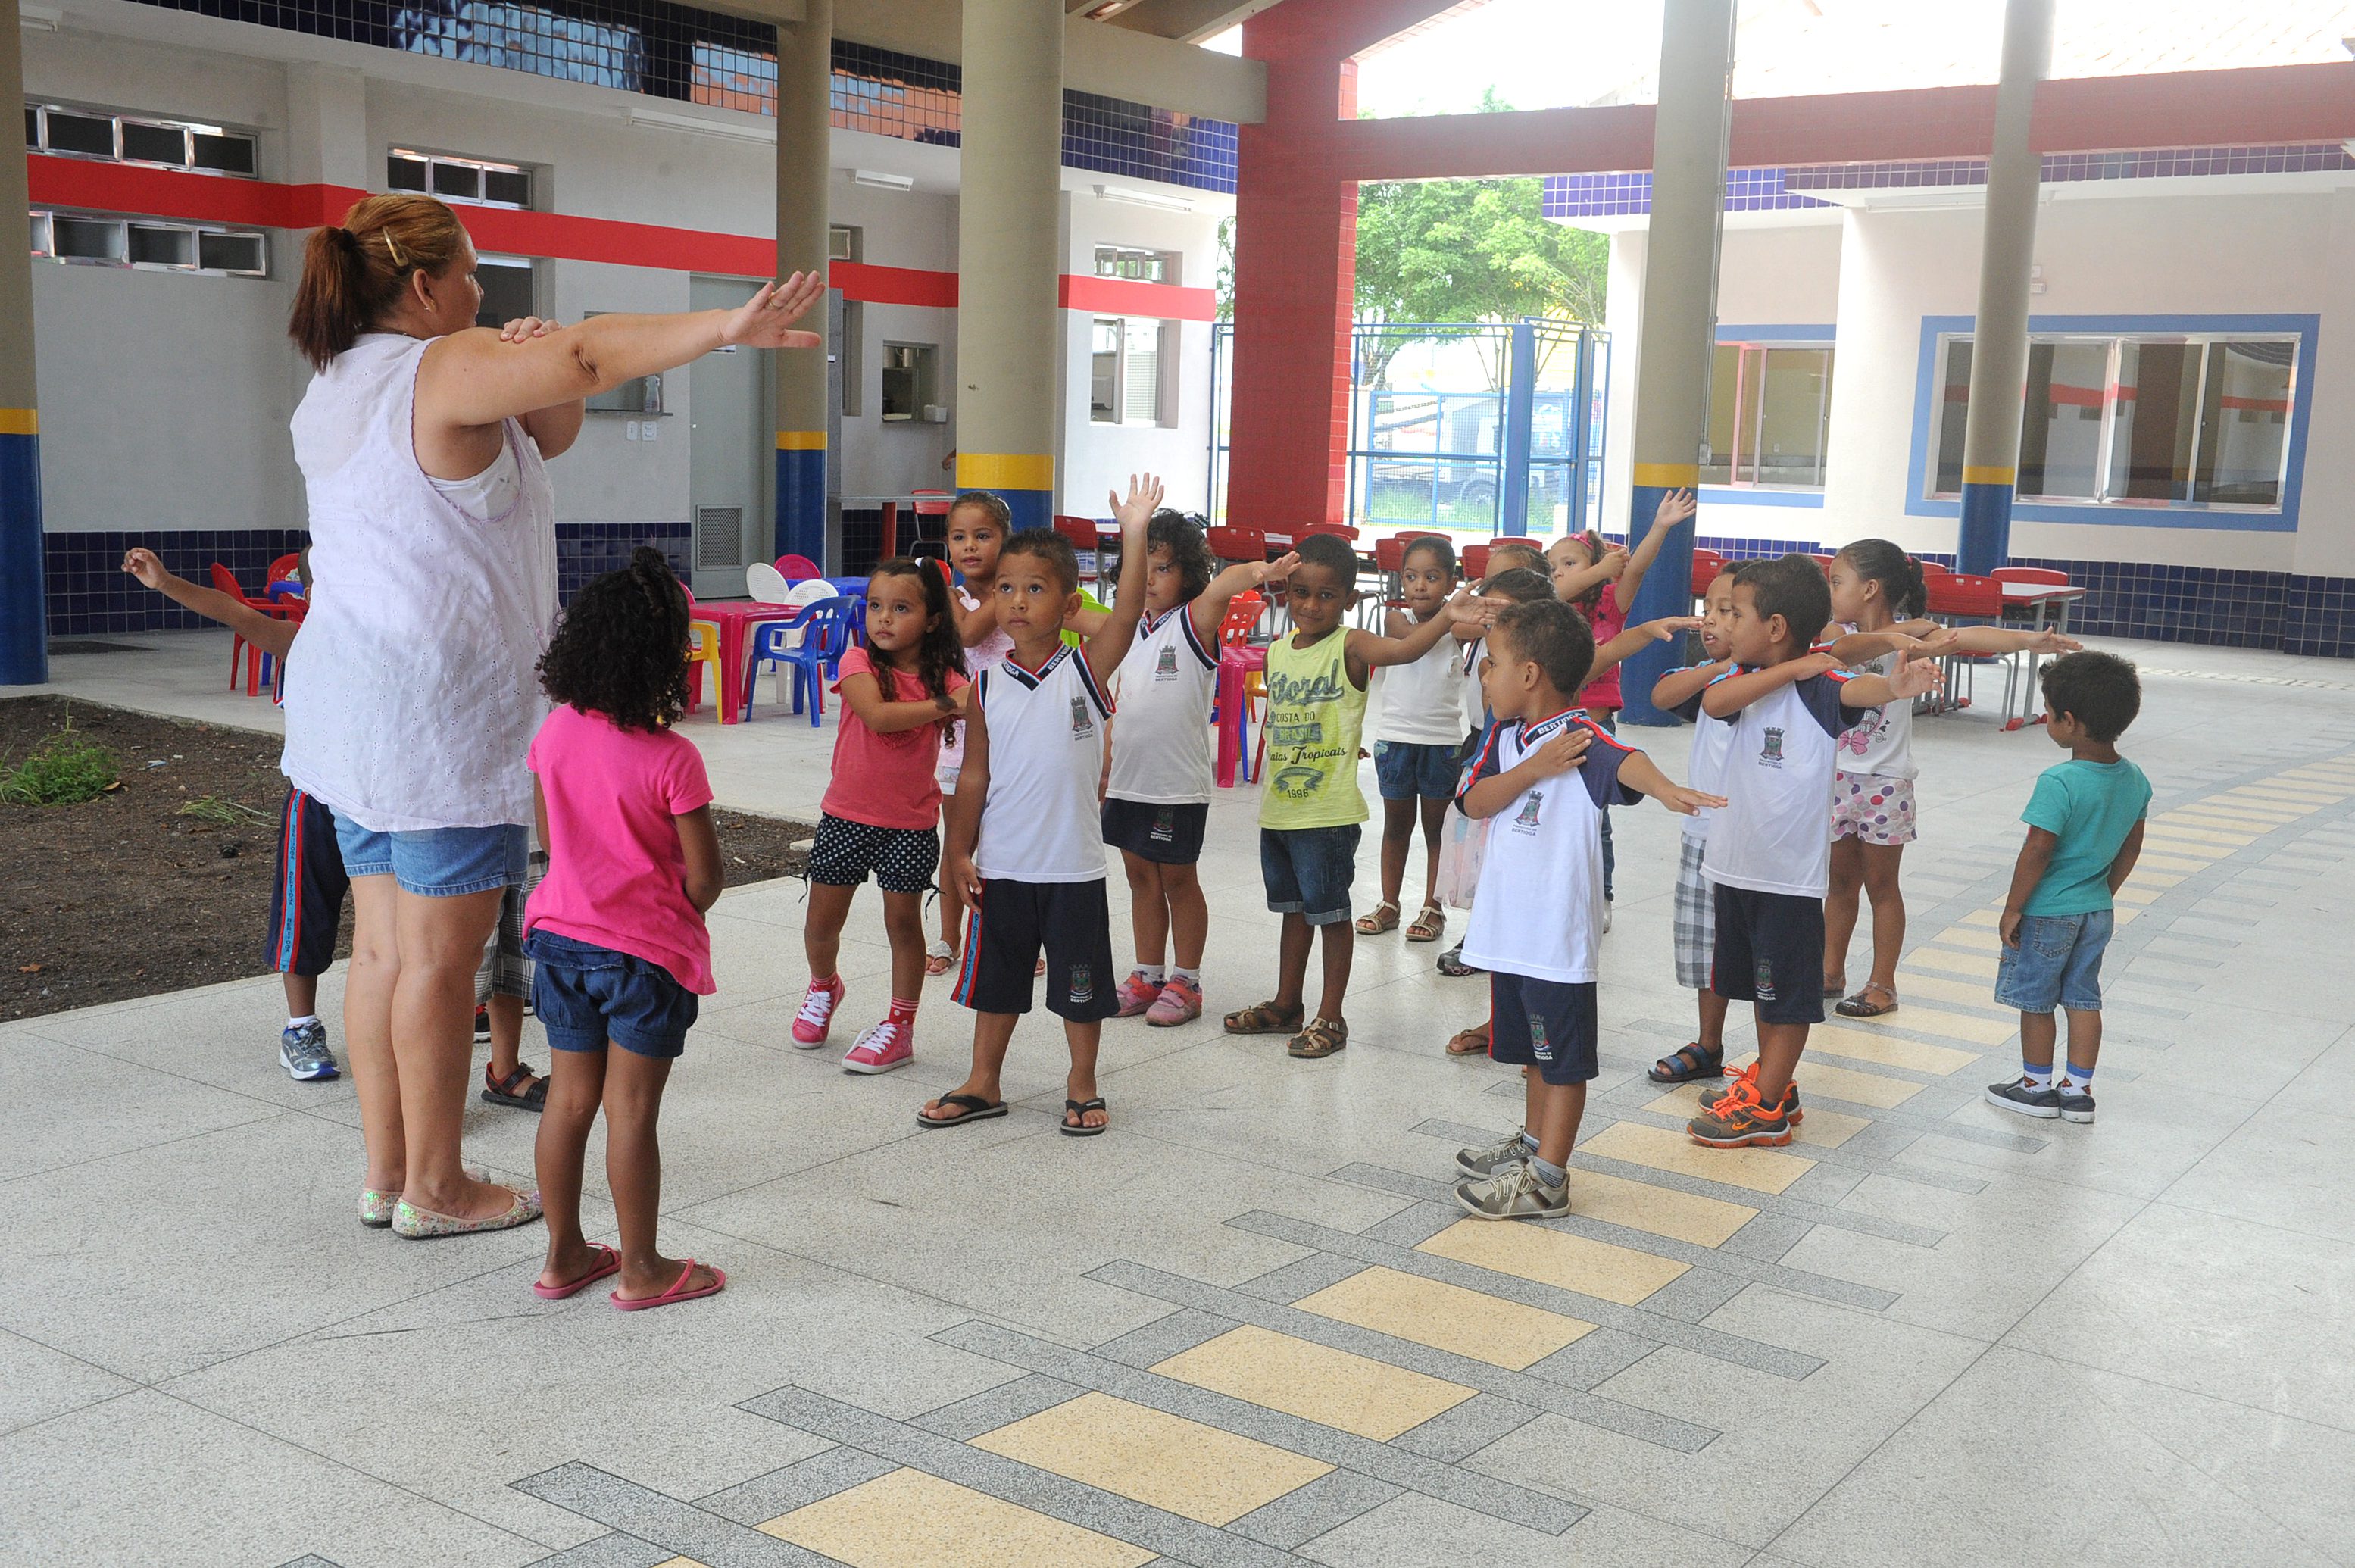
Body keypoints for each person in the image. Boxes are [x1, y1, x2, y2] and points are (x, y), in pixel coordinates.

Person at [282, 190, 823, 1235]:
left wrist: (535, 366)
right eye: (475, 273)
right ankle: (439, 1188)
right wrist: (722, 327)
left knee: (386, 953)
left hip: (351, 718)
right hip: (440, 723)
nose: (485, 294)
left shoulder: (338, 383)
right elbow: (584, 360)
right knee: (440, 962)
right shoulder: (441, 365)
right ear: (426, 284)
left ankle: (388, 1177)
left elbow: (537, 435)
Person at [1451, 600, 1723, 1218]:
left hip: (1554, 939)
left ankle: (1549, 1177)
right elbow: (1472, 802)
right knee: (1530, 1055)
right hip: (1509, 933)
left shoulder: (1580, 736)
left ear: (1529, 675)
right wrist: (1532, 770)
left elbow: (1627, 761)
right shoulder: (1506, 737)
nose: (1484, 677)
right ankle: (1530, 1143)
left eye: (1491, 664)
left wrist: (1668, 790)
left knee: (1561, 1060)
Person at [919, 476, 1162, 1134]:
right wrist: (959, 850)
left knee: (1080, 991)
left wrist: (1132, 531)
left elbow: (1130, 608)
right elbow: (973, 778)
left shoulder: (1087, 666)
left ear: (1066, 600)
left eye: (1034, 588)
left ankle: (1081, 1083)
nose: (1017, 602)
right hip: (1002, 865)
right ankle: (982, 1082)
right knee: (994, 984)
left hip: (1072, 869)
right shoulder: (986, 684)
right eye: (1005, 588)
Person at [524, 549, 726, 1307]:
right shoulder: (674, 758)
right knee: (631, 1110)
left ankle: (564, 1255)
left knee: (568, 1101)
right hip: (642, 960)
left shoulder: (556, 734)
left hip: (560, 944)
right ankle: (642, 1268)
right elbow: (703, 879)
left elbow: (549, 844)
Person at [1682, 554, 1940, 1150]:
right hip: (1734, 866)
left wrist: (1896, 685)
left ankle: (1767, 1105)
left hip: (1786, 880)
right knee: (1756, 987)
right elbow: (1715, 704)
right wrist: (1794, 666)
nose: (1724, 624)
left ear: (1772, 627)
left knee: (1786, 995)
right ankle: (1774, 1082)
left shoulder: (1821, 689)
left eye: (1736, 613)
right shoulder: (1742, 679)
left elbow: (1859, 688)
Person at [1222, 533, 1495, 1061]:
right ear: (1285, 591)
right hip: (1280, 810)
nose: (1309, 605)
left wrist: (1444, 617)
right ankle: (1286, 1005)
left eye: (1326, 596)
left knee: (1329, 914)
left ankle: (1331, 1015)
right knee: (1294, 912)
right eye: (1299, 592)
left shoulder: (1349, 645)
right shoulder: (1277, 652)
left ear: (1348, 599)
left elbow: (1403, 650)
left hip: (1327, 814)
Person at [1818, 539, 2080, 1019]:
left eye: (1838, 582)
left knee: (1882, 885)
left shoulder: (1920, 633)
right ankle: (1830, 971)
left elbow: (1970, 636)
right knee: (1838, 883)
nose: (1830, 590)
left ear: (1870, 588)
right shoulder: (1841, 631)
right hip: (1834, 778)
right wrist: (1902, 640)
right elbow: (1845, 649)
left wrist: (2026, 641)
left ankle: (1882, 984)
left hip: (1886, 782)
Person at [119, 547, 343, 1084]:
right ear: (309, 596)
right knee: (302, 918)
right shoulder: (302, 643)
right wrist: (166, 582)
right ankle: (301, 1027)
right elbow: (233, 612)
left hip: (387, 805)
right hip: (316, 801)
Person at [1098, 514, 1295, 1026]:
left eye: (1163, 568)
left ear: (1186, 574)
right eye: (1142, 567)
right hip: (1128, 780)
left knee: (1176, 880)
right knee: (1139, 875)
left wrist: (1262, 571)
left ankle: (1186, 981)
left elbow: (1225, 586)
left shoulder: (1193, 622)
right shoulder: (1126, 626)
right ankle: (1147, 974)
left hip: (1175, 787)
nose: (1149, 579)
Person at [792, 558, 971, 1073]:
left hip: (911, 824)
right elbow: (878, 716)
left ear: (933, 620)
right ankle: (824, 986)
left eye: (900, 608)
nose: (883, 619)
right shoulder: (857, 663)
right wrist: (945, 704)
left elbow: (980, 718)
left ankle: (900, 1025)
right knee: (822, 921)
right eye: (875, 606)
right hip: (845, 817)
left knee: (903, 925)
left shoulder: (951, 676)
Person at [1985, 652, 2147, 1125]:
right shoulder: (2134, 778)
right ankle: (2077, 1091)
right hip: (2097, 910)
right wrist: (2103, 892)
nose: (2046, 719)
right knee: (2082, 997)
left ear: (2069, 721)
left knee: (2036, 999)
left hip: (2049, 911)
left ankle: (2035, 1086)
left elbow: (2037, 849)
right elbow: (2130, 848)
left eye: (2049, 712)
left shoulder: (2059, 780)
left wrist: (2013, 907)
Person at [1547, 487, 1699, 926]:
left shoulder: (1611, 606)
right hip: (1551, 727)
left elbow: (1641, 567)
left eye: (1569, 563)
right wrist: (1592, 570)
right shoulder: (1549, 610)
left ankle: (1603, 893)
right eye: (1554, 566)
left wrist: (1659, 526)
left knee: (1597, 816)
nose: (1559, 573)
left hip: (1595, 725)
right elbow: (1553, 593)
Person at [1646, 566, 1741, 1085]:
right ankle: (1709, 1044)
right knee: (1706, 945)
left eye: (1728, 611)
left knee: (1752, 950)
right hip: (1704, 832)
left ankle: (1773, 1064)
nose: (1711, 620)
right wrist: (1720, 663)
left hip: (1754, 839)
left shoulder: (1775, 675)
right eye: (1708, 608)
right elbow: (1660, 697)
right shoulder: (1709, 671)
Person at [1359, 535, 1464, 946]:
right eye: (1411, 576)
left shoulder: (1462, 626)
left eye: (1432, 577)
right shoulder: (1395, 620)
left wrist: (1463, 616)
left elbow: (1470, 627)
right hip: (1396, 740)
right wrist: (1455, 616)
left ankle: (1433, 906)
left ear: (1451, 581)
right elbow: (1411, 643)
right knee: (1395, 827)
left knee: (1436, 831)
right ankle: (1389, 904)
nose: (1420, 586)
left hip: (1441, 742)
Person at [929, 492, 1017, 978]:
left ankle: (1011, 935)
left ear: (1005, 540)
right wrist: (1008, 589)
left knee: (1008, 847)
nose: (970, 547)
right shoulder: (951, 598)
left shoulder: (1019, 595)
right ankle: (948, 938)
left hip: (1015, 738)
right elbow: (966, 636)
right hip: (962, 741)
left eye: (983, 536)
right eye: (959, 537)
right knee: (959, 843)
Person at [475, 850, 551, 1110]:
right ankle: (429, 1095)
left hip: (527, 836)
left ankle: (505, 1070)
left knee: (512, 957)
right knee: (455, 969)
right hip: (468, 837)